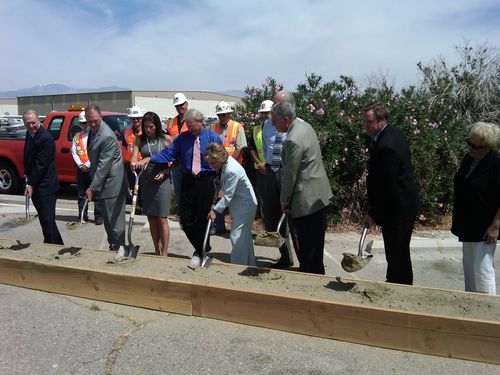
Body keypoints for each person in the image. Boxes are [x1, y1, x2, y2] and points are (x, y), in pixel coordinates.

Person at [135, 108, 222, 268]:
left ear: (201, 122)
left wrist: (221, 184)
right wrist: (150, 158)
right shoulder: (183, 138)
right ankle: (202, 246)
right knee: (186, 218)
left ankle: (200, 251)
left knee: (203, 217)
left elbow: (222, 160)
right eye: (187, 124)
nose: (189, 127)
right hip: (188, 179)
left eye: (192, 125)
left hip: (206, 180)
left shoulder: (213, 138)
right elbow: (169, 154)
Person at [271, 101, 332, 275]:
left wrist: (284, 200)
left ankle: (311, 283)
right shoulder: (305, 127)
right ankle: (315, 274)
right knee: (316, 245)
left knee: (308, 248)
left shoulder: (292, 139)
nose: (273, 125)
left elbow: (290, 175)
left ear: (285, 119)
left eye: (275, 121)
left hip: (306, 201)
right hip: (319, 195)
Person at [362, 101, 420, 285]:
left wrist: (373, 213)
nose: (365, 125)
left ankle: (400, 289)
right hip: (397, 204)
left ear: (382, 120)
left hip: (398, 207)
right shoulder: (389, 133)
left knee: (398, 252)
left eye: (368, 121)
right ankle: (395, 282)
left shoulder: (387, 144)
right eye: (363, 120)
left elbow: (386, 185)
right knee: (396, 252)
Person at [451, 122, 500, 295]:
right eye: (468, 143)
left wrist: (495, 225)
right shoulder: (469, 158)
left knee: (483, 269)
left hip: (484, 225)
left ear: (487, 147)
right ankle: (471, 306)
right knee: (470, 268)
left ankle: (488, 310)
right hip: (468, 223)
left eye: (475, 146)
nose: (470, 148)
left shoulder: (495, 163)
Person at [205, 142, 257, 266]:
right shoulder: (225, 165)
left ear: (220, 158)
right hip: (241, 205)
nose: (211, 166)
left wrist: (215, 210)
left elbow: (228, 196)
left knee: (237, 236)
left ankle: (237, 266)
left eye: (213, 163)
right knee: (244, 238)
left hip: (245, 206)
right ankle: (249, 264)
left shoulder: (231, 169)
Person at [84, 104, 127, 254]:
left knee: (115, 220)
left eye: (95, 120)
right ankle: (113, 245)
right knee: (108, 220)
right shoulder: (94, 131)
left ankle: (120, 248)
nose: (92, 124)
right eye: (89, 121)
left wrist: (92, 188)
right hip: (104, 183)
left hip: (112, 183)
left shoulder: (106, 135)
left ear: (101, 116)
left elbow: (103, 166)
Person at [261, 91, 296, 269]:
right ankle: (285, 256)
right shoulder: (267, 125)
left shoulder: (298, 126)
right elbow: (266, 148)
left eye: (277, 103)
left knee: (293, 217)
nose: (273, 105)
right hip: (271, 172)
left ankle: (305, 261)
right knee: (272, 215)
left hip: (288, 173)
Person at [130, 112, 173, 256]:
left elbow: (177, 160)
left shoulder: (165, 139)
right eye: (146, 127)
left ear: (157, 126)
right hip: (146, 181)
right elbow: (134, 157)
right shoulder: (139, 139)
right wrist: (133, 164)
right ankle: (157, 248)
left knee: (161, 218)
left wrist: (166, 171)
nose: (148, 130)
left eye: (151, 127)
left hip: (162, 182)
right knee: (151, 217)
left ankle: (165, 252)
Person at [22, 109, 64, 245]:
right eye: (28, 123)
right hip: (36, 184)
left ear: (39, 120)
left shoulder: (45, 138)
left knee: (47, 220)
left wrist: (30, 184)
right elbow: (28, 157)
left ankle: (49, 246)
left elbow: (41, 166)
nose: (31, 126)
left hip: (46, 187)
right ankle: (57, 245)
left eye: (33, 123)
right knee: (46, 220)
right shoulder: (30, 134)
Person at [209, 101, 248, 234]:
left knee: (232, 197)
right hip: (217, 168)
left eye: (224, 115)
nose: (222, 117)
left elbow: (240, 148)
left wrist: (227, 162)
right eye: (220, 115)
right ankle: (219, 226)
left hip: (232, 168)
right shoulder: (213, 127)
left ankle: (238, 226)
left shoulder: (237, 127)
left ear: (230, 113)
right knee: (217, 196)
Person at [70, 111, 103, 225]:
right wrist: (80, 165)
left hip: (92, 168)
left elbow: (96, 153)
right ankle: (82, 215)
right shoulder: (77, 136)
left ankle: (98, 216)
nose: (85, 125)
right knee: (81, 193)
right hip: (81, 169)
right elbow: (74, 152)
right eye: (83, 123)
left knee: (96, 193)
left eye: (86, 123)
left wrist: (88, 164)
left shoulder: (95, 136)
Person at [165, 93, 189, 221]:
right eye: (177, 106)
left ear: (186, 104)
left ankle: (189, 214)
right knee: (178, 188)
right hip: (176, 161)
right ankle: (181, 214)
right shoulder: (171, 122)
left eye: (181, 105)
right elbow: (167, 140)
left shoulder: (192, 119)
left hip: (189, 160)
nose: (180, 108)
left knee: (189, 188)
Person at [248, 100, 273, 221]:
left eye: (266, 113)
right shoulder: (256, 129)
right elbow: (252, 149)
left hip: (274, 169)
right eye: (262, 113)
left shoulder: (278, 128)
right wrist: (259, 164)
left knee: (275, 198)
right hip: (260, 169)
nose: (263, 116)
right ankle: (266, 225)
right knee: (262, 198)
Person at [123, 106, 144, 212]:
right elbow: (124, 146)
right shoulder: (126, 131)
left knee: (142, 187)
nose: (136, 120)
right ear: (130, 119)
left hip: (142, 163)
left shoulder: (145, 131)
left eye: (138, 118)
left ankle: (142, 206)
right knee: (132, 186)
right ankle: (137, 206)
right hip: (129, 164)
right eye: (134, 118)